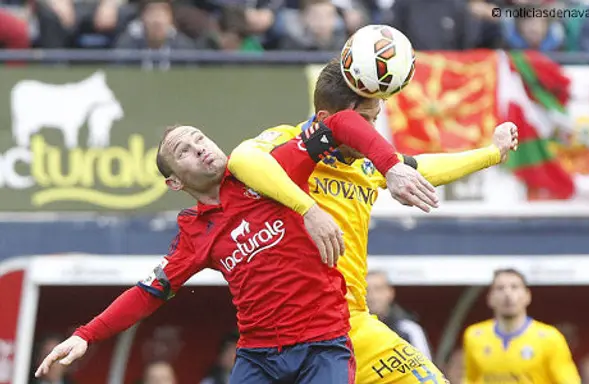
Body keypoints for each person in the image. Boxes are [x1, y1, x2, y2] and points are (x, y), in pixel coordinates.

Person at [34, 108, 435, 383]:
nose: (200, 148)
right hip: (258, 358)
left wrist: (392, 166)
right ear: (175, 183)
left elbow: (343, 121)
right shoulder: (194, 233)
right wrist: (86, 335)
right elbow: (148, 293)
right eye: (185, 152)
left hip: (323, 345)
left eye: (200, 138)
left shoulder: (267, 170)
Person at [226, 58, 519, 383]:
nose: (370, 131)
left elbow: (422, 167)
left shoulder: (369, 164)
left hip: (351, 322)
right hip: (288, 330)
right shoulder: (288, 143)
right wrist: (308, 208)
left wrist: (492, 153)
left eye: (375, 120)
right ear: (325, 120)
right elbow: (241, 159)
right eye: (364, 121)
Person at [463, 268, 580, 383]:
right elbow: (470, 379)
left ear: (527, 296)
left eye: (514, 287)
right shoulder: (474, 336)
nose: (507, 294)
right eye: (500, 288)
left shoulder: (550, 338)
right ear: (490, 298)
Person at [366, 270, 432, 359]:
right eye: (367, 290)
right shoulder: (351, 329)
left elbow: (426, 368)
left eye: (378, 289)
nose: (372, 296)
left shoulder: (409, 329)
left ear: (390, 292)